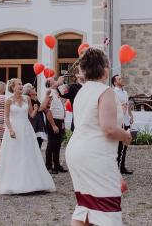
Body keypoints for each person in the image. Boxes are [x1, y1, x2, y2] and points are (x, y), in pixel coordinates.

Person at [66, 47, 132, 226]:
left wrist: (116, 175)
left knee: (85, 206)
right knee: (107, 210)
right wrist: (126, 136)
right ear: (105, 70)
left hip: (77, 151)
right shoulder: (105, 91)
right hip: (94, 154)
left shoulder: (83, 91)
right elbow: (108, 128)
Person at [0, 78, 56, 194]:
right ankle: (13, 182)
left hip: (26, 128)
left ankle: (31, 182)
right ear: (13, 87)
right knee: (14, 154)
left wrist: (35, 110)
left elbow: (31, 115)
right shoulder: (8, 101)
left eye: (21, 84)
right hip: (14, 129)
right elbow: (6, 118)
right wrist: (10, 130)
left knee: (28, 153)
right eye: (18, 84)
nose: (21, 86)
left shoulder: (27, 98)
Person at [112, 74, 134, 174]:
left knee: (125, 144)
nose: (122, 80)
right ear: (115, 82)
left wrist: (131, 115)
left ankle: (122, 166)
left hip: (125, 120)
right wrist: (121, 107)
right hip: (119, 121)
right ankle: (116, 167)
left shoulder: (124, 92)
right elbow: (113, 107)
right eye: (119, 79)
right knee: (118, 146)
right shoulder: (113, 92)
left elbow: (127, 104)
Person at [45, 76, 67, 174]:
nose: (55, 78)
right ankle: (48, 165)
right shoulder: (49, 92)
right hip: (53, 120)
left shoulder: (56, 92)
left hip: (60, 120)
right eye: (52, 79)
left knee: (58, 144)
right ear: (49, 82)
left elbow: (65, 93)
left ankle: (57, 165)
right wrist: (53, 125)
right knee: (51, 144)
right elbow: (47, 110)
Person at [24, 83, 47, 148]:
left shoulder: (35, 99)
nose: (35, 88)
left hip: (38, 124)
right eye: (32, 88)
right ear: (29, 92)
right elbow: (40, 109)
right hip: (34, 124)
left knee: (39, 143)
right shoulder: (29, 100)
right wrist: (47, 96)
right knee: (34, 145)